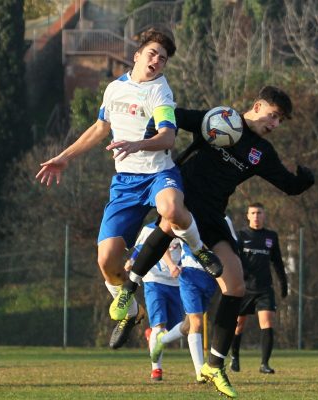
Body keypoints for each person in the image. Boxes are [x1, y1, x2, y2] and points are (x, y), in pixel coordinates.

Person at [111, 86, 315, 398]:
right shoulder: (218, 119)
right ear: (257, 105)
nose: (274, 124)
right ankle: (128, 291)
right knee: (169, 222)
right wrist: (153, 140)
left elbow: (287, 184)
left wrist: (304, 180)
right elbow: (173, 117)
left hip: (212, 216)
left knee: (235, 286)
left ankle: (214, 366)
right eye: (273, 116)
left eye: (280, 121)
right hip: (182, 196)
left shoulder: (261, 152)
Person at [35, 28, 222, 350]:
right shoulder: (114, 88)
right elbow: (99, 128)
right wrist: (65, 157)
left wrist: (137, 144)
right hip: (125, 183)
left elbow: (167, 138)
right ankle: (132, 312)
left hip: (159, 173)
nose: (156, 61)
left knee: (172, 209)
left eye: (162, 59)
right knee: (106, 261)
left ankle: (200, 248)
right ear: (136, 55)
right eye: (152, 54)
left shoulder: (160, 93)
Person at [150, 218, 231, 383]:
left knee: (189, 325)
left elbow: (231, 246)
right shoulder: (186, 218)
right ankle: (200, 372)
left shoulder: (224, 219)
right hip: (190, 276)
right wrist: (172, 265)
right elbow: (162, 242)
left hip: (211, 278)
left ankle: (162, 339)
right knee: (197, 323)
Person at [230, 202, 288, 374]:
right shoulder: (241, 235)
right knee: (238, 325)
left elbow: (277, 262)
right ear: (248, 216)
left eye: (259, 213)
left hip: (264, 288)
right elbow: (233, 259)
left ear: (264, 215)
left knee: (267, 323)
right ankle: (234, 357)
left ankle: (264, 364)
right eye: (253, 213)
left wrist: (284, 283)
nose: (256, 216)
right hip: (244, 288)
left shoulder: (271, 236)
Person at [125, 223, 184, 381]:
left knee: (176, 329)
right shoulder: (149, 229)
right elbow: (140, 248)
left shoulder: (186, 226)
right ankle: (156, 369)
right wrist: (131, 261)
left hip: (177, 283)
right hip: (154, 280)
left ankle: (151, 334)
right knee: (159, 326)